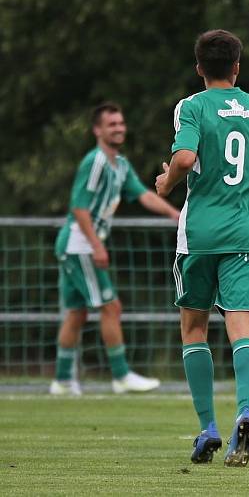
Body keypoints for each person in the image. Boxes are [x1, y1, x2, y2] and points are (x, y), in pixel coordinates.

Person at [155, 29, 249, 467]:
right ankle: (246, 410)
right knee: (242, 327)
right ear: (237, 66)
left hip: (198, 234)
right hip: (243, 235)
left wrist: (166, 184)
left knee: (194, 328)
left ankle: (208, 428)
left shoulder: (192, 106)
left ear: (199, 67)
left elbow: (182, 158)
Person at [51, 102, 180, 396]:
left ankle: (61, 381)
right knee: (111, 307)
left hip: (79, 245)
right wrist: (97, 246)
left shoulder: (119, 164)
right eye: (112, 124)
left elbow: (144, 195)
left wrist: (175, 214)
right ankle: (121, 376)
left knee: (76, 313)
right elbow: (79, 208)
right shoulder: (95, 162)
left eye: (121, 123)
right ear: (97, 130)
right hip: (79, 245)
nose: (119, 128)